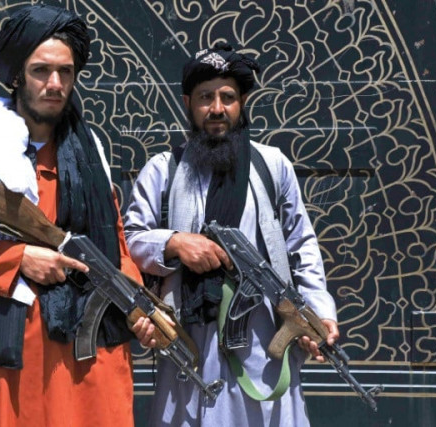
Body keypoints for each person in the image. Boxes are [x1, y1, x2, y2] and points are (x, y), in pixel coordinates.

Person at [0, 4, 144, 426]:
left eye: (65, 72)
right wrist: (19, 259)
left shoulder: (89, 152)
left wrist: (138, 305)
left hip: (92, 357)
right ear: (18, 75)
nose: (55, 84)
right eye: (41, 71)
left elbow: (116, 246)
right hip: (13, 358)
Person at [124, 42, 340, 426]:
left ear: (242, 103)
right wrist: (174, 243)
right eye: (205, 97)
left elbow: (301, 246)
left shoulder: (271, 166)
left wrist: (319, 313)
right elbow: (130, 241)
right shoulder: (163, 170)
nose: (217, 108)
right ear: (188, 103)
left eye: (228, 97)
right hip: (189, 343)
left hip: (262, 345)